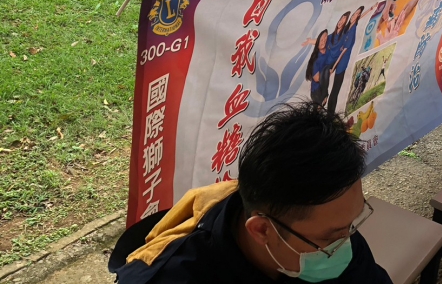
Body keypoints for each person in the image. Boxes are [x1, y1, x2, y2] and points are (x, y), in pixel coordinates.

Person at [111, 102, 391, 284]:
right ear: (262, 230)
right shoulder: (174, 277)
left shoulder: (332, 231)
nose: (347, 244)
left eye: (351, 226)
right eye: (331, 238)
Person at [327, 7, 364, 117]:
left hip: (341, 63)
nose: (353, 15)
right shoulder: (348, 27)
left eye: (356, 14)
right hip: (336, 58)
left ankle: (330, 115)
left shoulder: (352, 31)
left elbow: (344, 52)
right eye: (354, 13)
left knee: (335, 90)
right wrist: (370, 9)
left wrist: (333, 67)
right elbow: (360, 18)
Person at [307, 30, 331, 106]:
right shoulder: (316, 59)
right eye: (321, 40)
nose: (323, 41)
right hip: (317, 91)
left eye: (325, 39)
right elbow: (317, 78)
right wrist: (328, 72)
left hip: (323, 89)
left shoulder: (327, 50)